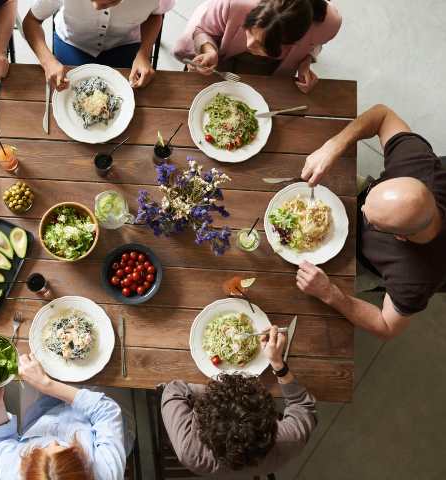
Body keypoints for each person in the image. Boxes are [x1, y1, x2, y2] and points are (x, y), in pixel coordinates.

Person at [297, 104, 446, 339]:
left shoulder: (415, 280)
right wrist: (333, 147)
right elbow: (382, 115)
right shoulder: (419, 165)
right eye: (367, 202)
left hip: (362, 260)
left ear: (399, 236)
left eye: (368, 217)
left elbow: (386, 327)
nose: (360, 207)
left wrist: (330, 293)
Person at [161, 326, 317, 477]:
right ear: (271, 419)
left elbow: (173, 390)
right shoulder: (289, 441)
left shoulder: (189, 451)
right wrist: (278, 364)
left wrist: (209, 395)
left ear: (201, 426)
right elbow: (303, 406)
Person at [0, 353, 132, 479]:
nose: (52, 442)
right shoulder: (107, 474)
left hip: (42, 412)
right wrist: (47, 385)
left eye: (37, 451)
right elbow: (106, 411)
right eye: (62, 448)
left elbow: (2, 442)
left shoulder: (9, 473)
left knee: (33, 363)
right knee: (112, 365)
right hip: (97, 419)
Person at [173, 0, 342, 93]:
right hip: (222, 55)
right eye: (249, 30)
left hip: (273, 74)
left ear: (293, 41)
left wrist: (305, 64)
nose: (249, 44)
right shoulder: (236, 3)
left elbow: (315, 45)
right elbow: (203, 29)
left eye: (263, 45)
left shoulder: (328, 24)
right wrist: (209, 50)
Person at [22, 0, 175, 90]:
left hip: (125, 45)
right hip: (71, 42)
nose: (96, 6)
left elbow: (155, 15)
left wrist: (143, 54)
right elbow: (31, 21)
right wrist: (48, 62)